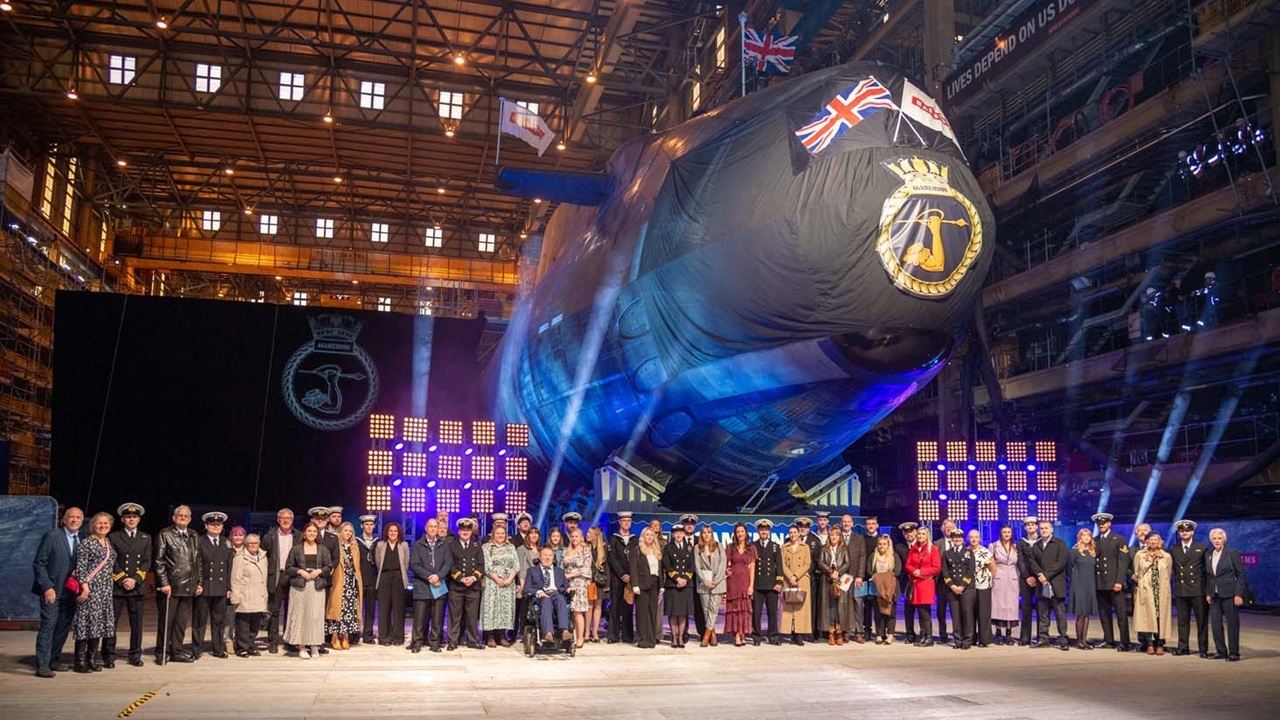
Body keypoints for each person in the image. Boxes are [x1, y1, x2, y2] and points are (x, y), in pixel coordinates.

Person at [31, 506, 84, 677]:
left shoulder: (82, 540)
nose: (74, 520)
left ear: (82, 521)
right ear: (64, 519)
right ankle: (42, 665)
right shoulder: (52, 536)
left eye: (78, 517)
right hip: (52, 592)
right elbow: (39, 563)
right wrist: (47, 587)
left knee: (63, 628)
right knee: (48, 627)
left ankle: (54, 660)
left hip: (70, 593)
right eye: (71, 517)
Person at [154, 505, 202, 664]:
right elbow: (158, 561)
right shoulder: (165, 534)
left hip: (189, 586)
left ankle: (177, 651)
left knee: (181, 623)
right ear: (174, 517)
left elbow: (198, 562)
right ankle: (162, 652)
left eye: (186, 516)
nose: (182, 517)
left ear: (190, 519)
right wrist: (164, 583)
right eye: (179, 515)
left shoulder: (194, 535)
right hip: (171, 587)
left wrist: (199, 582)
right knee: (166, 622)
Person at [104, 502, 150, 668]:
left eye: (134, 517)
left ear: (139, 519)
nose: (131, 519)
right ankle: (108, 656)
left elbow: (146, 562)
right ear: (123, 519)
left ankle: (135, 655)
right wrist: (123, 579)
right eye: (128, 517)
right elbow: (112, 560)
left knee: (136, 625)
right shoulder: (114, 537)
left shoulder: (145, 538)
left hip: (136, 587)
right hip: (118, 586)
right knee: (112, 623)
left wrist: (135, 579)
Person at [71, 512, 116, 673]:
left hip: (105, 591)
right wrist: (85, 587)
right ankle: (79, 662)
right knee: (85, 624)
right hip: (90, 590)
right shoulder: (87, 543)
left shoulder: (108, 542)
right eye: (99, 523)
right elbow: (81, 567)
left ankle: (91, 660)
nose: (102, 526)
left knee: (98, 625)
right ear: (93, 525)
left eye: (105, 523)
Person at [284, 523, 331, 659]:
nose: (311, 533)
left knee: (315, 616)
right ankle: (302, 647)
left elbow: (328, 566)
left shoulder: (323, 549)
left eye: (314, 531)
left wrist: (319, 571)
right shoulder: (296, 549)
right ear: (304, 533)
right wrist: (300, 571)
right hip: (300, 586)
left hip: (316, 586)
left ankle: (315, 646)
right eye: (309, 531)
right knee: (301, 616)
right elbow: (288, 567)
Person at [409, 518, 452, 653]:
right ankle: (417, 642)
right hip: (422, 584)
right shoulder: (418, 545)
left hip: (439, 583)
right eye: (430, 526)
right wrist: (429, 577)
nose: (433, 529)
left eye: (435, 526)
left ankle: (434, 642)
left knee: (438, 617)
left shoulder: (444, 545)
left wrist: (438, 576)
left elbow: (448, 563)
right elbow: (414, 565)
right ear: (426, 528)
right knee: (419, 617)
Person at [193, 511, 232, 659]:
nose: (215, 527)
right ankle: (196, 650)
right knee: (199, 621)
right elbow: (196, 565)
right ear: (206, 526)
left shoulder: (226, 542)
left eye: (218, 524)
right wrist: (198, 583)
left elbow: (229, 567)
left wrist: (228, 587)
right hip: (204, 587)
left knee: (219, 622)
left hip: (220, 588)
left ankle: (218, 649)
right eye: (212, 524)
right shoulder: (199, 541)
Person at [1204, 527, 1247, 661]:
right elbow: (1210, 576)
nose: (1217, 541)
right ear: (1211, 540)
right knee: (1216, 624)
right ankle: (1221, 651)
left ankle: (1234, 652)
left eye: (1219, 538)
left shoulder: (1231, 553)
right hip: (1215, 595)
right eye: (1214, 538)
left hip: (1230, 594)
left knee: (1232, 624)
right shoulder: (1209, 554)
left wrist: (1238, 594)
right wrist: (1208, 593)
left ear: (1224, 539)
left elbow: (1240, 574)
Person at [261, 508, 300, 654]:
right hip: (275, 576)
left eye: (288, 518)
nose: (285, 521)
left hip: (293, 576)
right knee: (274, 611)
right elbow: (263, 557)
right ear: (278, 520)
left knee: (292, 610)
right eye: (282, 518)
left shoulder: (298, 536)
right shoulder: (269, 536)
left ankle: (290, 640)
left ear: (292, 520)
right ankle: (273, 641)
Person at [1170, 519, 1209, 657]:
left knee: (1201, 621)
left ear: (1192, 532)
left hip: (1198, 589)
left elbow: (1207, 571)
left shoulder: (1202, 548)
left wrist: (1208, 591)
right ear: (1179, 532)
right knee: (1182, 621)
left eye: (1187, 530)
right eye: (1182, 531)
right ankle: (1183, 647)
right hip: (1181, 589)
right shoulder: (1174, 549)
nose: (1184, 533)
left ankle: (1203, 649)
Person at [1092, 512, 1131, 652]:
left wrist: (1119, 581)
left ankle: (1125, 641)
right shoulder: (1094, 540)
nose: (1101, 525)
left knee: (1121, 614)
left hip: (1114, 583)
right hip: (1100, 583)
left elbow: (1123, 562)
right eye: (1099, 524)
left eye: (1104, 523)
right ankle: (1108, 640)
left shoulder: (1118, 539)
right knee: (1104, 613)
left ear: (1109, 524)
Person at [1030, 520, 1070, 651]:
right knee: (1043, 613)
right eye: (1041, 528)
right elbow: (1032, 562)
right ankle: (1043, 639)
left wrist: (1046, 575)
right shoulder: (1036, 545)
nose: (1044, 530)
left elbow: (1061, 562)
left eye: (1046, 528)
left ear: (1051, 529)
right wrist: (1040, 575)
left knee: (1060, 613)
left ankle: (1063, 639)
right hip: (1042, 585)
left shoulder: (1060, 544)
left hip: (1056, 584)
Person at [1132, 532, 1173, 655]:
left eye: (1155, 540)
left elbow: (1169, 573)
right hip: (1146, 590)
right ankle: (1149, 644)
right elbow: (1137, 572)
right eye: (1150, 540)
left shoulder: (1166, 556)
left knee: (1161, 617)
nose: (1153, 542)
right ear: (1146, 542)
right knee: (1147, 617)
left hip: (1160, 591)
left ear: (1159, 542)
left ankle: (1160, 643)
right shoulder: (1140, 555)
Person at [325, 522, 364, 650]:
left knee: (349, 610)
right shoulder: (336, 545)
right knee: (336, 609)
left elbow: (357, 566)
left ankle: (345, 636)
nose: (348, 533)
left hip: (351, 582)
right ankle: (335, 636)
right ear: (340, 531)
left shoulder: (354, 546)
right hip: (338, 580)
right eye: (345, 530)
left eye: (350, 531)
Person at [448, 517, 485, 650]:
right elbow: (450, 565)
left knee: (472, 616)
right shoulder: (451, 545)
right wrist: (462, 578)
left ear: (471, 531)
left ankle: (473, 641)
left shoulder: (477, 545)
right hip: (457, 586)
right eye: (463, 530)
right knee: (455, 616)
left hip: (473, 587)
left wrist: (473, 578)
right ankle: (453, 641)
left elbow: (481, 565)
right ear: (458, 531)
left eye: (467, 530)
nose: (465, 532)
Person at [229, 533, 269, 657]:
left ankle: (251, 645)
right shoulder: (240, 558)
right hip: (244, 595)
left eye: (255, 543)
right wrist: (235, 597)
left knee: (255, 624)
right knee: (243, 624)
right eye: (250, 543)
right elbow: (235, 578)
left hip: (259, 595)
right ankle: (242, 647)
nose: (253, 545)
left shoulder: (263, 557)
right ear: (246, 544)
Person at [480, 523, 519, 647]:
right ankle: (490, 636)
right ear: (493, 535)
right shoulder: (487, 547)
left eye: (503, 533)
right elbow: (486, 565)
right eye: (498, 533)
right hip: (492, 581)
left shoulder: (511, 547)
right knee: (492, 608)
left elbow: (516, 565)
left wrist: (509, 579)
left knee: (505, 608)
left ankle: (502, 635)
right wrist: (497, 579)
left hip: (508, 582)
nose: (500, 535)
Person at [525, 547, 573, 645]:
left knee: (561, 599)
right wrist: (538, 592)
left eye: (550, 555)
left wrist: (568, 589)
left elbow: (565, 586)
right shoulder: (532, 571)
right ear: (540, 557)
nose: (547, 558)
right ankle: (548, 633)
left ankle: (564, 631)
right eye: (545, 555)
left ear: (553, 557)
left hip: (556, 593)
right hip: (541, 595)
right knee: (546, 601)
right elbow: (526, 588)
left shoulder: (559, 571)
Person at [817, 526, 855, 646]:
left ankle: (839, 631)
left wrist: (838, 572)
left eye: (836, 535)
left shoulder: (843, 549)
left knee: (840, 607)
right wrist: (830, 571)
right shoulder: (824, 549)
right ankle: (830, 632)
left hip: (840, 580)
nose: (833, 537)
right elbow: (820, 562)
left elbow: (847, 562)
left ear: (839, 537)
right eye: (832, 535)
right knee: (829, 607)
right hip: (827, 580)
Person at [661, 524, 696, 648]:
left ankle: (681, 637)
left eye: (681, 532)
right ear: (673, 534)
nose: (679, 535)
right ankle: (674, 638)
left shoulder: (690, 548)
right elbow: (666, 564)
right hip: (673, 584)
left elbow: (692, 565)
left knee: (682, 613)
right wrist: (677, 578)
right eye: (676, 533)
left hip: (686, 585)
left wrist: (685, 578)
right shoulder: (668, 547)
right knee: (673, 613)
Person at [374, 522, 409, 646]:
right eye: (390, 531)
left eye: (395, 531)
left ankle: (398, 638)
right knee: (384, 609)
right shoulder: (380, 545)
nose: (393, 533)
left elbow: (406, 563)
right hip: (384, 578)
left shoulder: (404, 545)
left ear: (399, 533)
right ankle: (384, 638)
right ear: (387, 533)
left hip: (399, 578)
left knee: (398, 609)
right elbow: (378, 563)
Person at [905, 526, 940, 647]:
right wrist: (914, 571)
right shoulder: (913, 549)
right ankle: (922, 635)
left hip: (926, 584)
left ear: (927, 536)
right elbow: (908, 564)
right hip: (916, 583)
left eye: (923, 534)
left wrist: (922, 572)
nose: (920, 536)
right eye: (919, 534)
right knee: (919, 612)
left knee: (925, 612)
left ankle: (929, 637)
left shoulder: (933, 549)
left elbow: (936, 568)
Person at [941, 528, 976, 650]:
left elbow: (971, 571)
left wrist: (962, 586)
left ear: (962, 539)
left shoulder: (968, 552)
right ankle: (958, 640)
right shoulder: (947, 553)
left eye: (959, 538)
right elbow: (945, 571)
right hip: (952, 589)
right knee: (955, 616)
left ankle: (967, 641)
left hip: (966, 588)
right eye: (955, 538)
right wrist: (952, 586)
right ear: (951, 539)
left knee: (967, 615)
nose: (957, 540)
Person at [751, 519, 784, 646]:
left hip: (771, 585)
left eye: (766, 530)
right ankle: (756, 637)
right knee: (756, 613)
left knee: (772, 613)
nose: (763, 532)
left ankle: (773, 636)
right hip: (758, 585)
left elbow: (779, 566)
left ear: (769, 531)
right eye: (761, 529)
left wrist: (779, 582)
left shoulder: (775, 546)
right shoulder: (753, 546)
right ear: (758, 531)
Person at [629, 526, 663, 649]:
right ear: (643, 537)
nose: (649, 537)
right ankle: (642, 638)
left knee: (652, 612)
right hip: (642, 584)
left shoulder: (656, 551)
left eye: (651, 535)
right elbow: (633, 569)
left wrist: (662, 586)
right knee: (642, 612)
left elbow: (660, 570)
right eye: (647, 535)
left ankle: (651, 638)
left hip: (654, 584)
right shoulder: (637, 550)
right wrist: (635, 585)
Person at [724, 523, 757, 647]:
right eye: (738, 532)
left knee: (744, 609)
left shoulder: (751, 548)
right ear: (735, 534)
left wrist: (751, 586)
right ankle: (737, 634)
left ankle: (743, 633)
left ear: (746, 533)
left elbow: (753, 567)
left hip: (745, 580)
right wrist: (726, 570)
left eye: (742, 531)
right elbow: (725, 563)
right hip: (733, 581)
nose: (740, 534)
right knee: (735, 610)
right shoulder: (730, 547)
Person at [606, 512, 637, 644]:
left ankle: (627, 635)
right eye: (624, 521)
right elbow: (611, 558)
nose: (626, 523)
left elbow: (636, 559)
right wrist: (622, 574)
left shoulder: (635, 539)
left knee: (628, 607)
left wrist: (630, 575)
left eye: (628, 521)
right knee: (615, 607)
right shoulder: (613, 539)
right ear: (619, 522)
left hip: (630, 578)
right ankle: (612, 635)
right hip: (617, 578)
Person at [694, 524, 726, 647]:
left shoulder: (719, 546)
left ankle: (707, 635)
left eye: (709, 532)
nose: (706, 535)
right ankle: (713, 634)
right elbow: (697, 567)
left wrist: (716, 581)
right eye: (704, 533)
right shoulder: (697, 548)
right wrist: (706, 581)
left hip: (717, 583)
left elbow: (723, 565)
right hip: (703, 583)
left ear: (712, 534)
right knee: (706, 610)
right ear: (701, 535)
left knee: (714, 609)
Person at [1068, 528, 1100, 650]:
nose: (1086, 538)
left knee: (1087, 614)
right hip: (1079, 585)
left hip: (1090, 585)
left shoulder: (1093, 552)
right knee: (1080, 614)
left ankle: (1084, 640)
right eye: (1084, 536)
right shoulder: (1075, 551)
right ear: (1079, 537)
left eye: (1088, 536)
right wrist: (1075, 582)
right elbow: (1069, 568)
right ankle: (1079, 641)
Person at [781, 523, 812, 646]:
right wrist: (790, 577)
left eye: (795, 532)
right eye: (791, 533)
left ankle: (799, 634)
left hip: (801, 579)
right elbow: (782, 564)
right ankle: (790, 632)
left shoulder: (805, 547)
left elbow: (807, 563)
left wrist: (796, 576)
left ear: (799, 533)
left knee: (800, 609)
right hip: (788, 581)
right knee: (789, 608)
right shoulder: (784, 547)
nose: (793, 535)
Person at [561, 527, 592, 648]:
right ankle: (570, 636)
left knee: (577, 612)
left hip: (579, 583)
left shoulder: (586, 550)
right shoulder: (567, 551)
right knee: (569, 611)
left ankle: (580, 638)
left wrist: (572, 574)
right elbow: (562, 567)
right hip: (567, 583)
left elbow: (586, 568)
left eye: (576, 536)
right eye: (572, 537)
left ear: (581, 538)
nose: (574, 538)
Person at [989, 525, 1020, 645]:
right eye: (1004, 532)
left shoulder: (1016, 547)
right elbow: (990, 564)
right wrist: (992, 578)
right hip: (999, 577)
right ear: (1000, 533)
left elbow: (1018, 565)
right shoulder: (993, 546)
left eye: (1008, 532)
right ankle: (997, 633)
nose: (1006, 534)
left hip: (1012, 578)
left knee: (1011, 607)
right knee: (998, 605)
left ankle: (1009, 634)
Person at [678, 514, 707, 640]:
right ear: (683, 525)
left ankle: (702, 632)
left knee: (699, 607)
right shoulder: (678, 540)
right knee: (683, 607)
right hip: (684, 579)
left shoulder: (700, 541)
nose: (689, 526)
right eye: (686, 524)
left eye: (692, 524)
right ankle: (683, 632)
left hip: (698, 580)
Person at [868, 534, 900, 645]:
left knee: (891, 613)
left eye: (884, 544)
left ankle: (890, 635)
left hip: (891, 589)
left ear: (888, 545)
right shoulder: (873, 557)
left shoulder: (893, 556)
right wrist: (878, 578)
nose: (882, 546)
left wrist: (886, 578)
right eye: (880, 544)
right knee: (878, 613)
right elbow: (869, 571)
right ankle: (879, 635)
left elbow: (898, 571)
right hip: (877, 589)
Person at [968, 529, 995, 647]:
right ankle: (971, 638)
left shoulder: (985, 552)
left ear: (979, 538)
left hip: (983, 586)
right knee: (970, 613)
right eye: (971, 537)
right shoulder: (966, 552)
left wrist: (988, 580)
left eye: (976, 537)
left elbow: (993, 569)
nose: (974, 539)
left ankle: (985, 639)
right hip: (969, 586)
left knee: (983, 613)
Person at [1015, 516, 1040, 647]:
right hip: (1026, 580)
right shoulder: (1021, 542)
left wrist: (1037, 576)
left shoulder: (1042, 541)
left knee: (1042, 609)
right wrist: (1027, 577)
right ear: (1025, 528)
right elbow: (1020, 562)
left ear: (1036, 526)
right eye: (1028, 525)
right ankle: (1025, 638)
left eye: (1033, 525)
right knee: (1026, 609)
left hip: (1040, 579)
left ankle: (1042, 637)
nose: (1030, 527)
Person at [514, 526, 541, 645]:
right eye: (531, 533)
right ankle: (523, 632)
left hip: (539, 582)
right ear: (527, 535)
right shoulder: (521, 549)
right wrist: (522, 582)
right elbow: (520, 567)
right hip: (526, 581)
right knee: (524, 609)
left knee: (536, 609)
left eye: (536, 533)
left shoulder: (541, 549)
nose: (534, 536)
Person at [355, 514, 379, 645]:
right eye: (366, 524)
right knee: (356, 608)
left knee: (370, 609)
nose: (369, 526)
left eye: (371, 524)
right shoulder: (356, 541)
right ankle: (354, 634)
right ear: (362, 526)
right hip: (359, 578)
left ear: (374, 526)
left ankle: (368, 635)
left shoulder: (378, 541)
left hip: (372, 579)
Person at [1129, 522, 1153, 651]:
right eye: (1139, 530)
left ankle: (1154, 642)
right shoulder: (1132, 550)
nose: (1142, 533)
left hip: (1153, 587)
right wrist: (1131, 575)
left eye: (1145, 530)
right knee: (1139, 615)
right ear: (1135, 533)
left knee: (1153, 615)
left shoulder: (1158, 548)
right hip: (1138, 587)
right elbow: (1127, 567)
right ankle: (1142, 641)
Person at [798, 517, 823, 641]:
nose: (803, 529)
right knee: (796, 606)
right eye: (801, 527)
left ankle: (811, 632)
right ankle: (797, 632)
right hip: (796, 579)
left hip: (810, 578)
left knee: (811, 606)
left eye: (805, 527)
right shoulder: (791, 539)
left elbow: (818, 560)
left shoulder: (815, 541)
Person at [933, 518, 957, 643]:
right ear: (943, 530)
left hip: (956, 583)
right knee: (941, 610)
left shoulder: (960, 542)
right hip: (942, 583)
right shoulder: (937, 544)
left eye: (951, 527)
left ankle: (957, 633)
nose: (949, 529)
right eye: (947, 527)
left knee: (956, 610)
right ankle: (943, 635)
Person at [860, 516, 883, 637]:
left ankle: (880, 631)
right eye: (868, 524)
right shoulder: (862, 539)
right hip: (865, 577)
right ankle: (867, 630)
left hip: (879, 577)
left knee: (879, 605)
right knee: (867, 605)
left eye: (873, 524)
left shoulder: (882, 539)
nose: (870, 526)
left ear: (877, 525)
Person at [896, 521, 919, 643]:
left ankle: (925, 633)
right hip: (907, 582)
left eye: (910, 531)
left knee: (922, 609)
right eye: (906, 532)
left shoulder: (921, 545)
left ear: (915, 532)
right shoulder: (900, 547)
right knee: (908, 610)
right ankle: (910, 634)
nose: (908, 534)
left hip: (921, 582)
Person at [586, 525, 609, 642]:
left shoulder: (604, 549)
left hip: (600, 581)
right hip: (589, 581)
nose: (587, 534)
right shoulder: (585, 547)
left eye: (590, 533)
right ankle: (586, 632)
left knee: (598, 606)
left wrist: (607, 584)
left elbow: (607, 567)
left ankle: (595, 632)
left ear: (596, 535)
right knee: (589, 606)